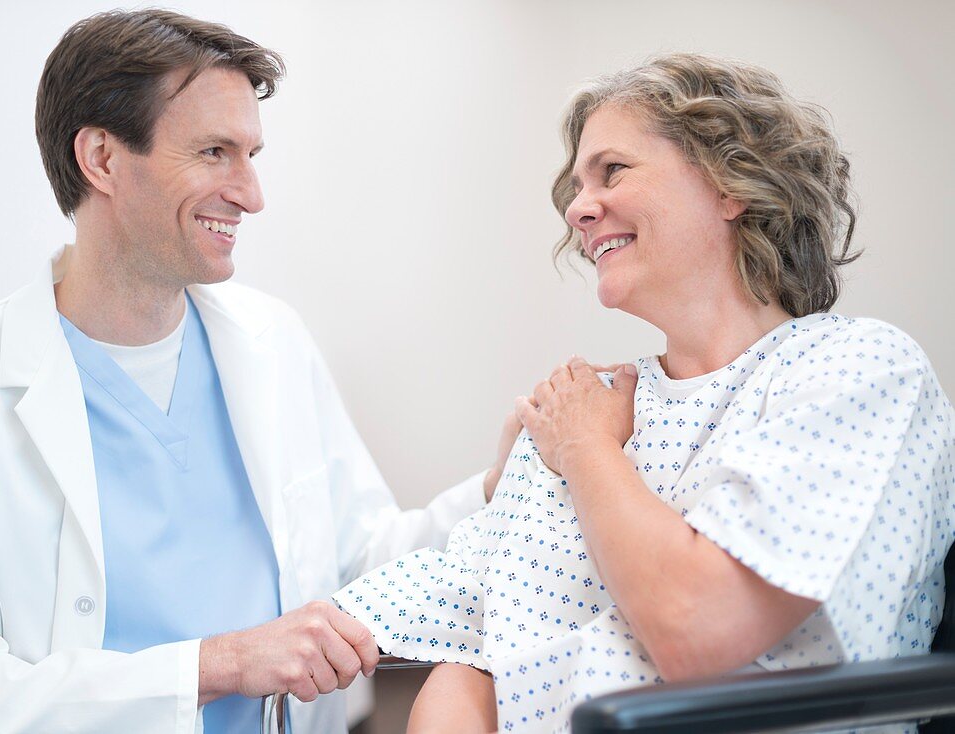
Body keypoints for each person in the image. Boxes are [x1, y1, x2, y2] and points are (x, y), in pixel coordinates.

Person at [0, 10, 512, 733]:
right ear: (102, 159)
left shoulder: (274, 341)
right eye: (213, 152)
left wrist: (496, 487)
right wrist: (220, 665)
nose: (250, 192)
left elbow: (360, 561)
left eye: (251, 154)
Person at [334, 53, 955, 733]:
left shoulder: (859, 370)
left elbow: (700, 631)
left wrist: (588, 451)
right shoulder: (590, 401)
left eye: (613, 170)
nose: (577, 209)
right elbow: (480, 640)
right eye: (576, 185)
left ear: (731, 184)